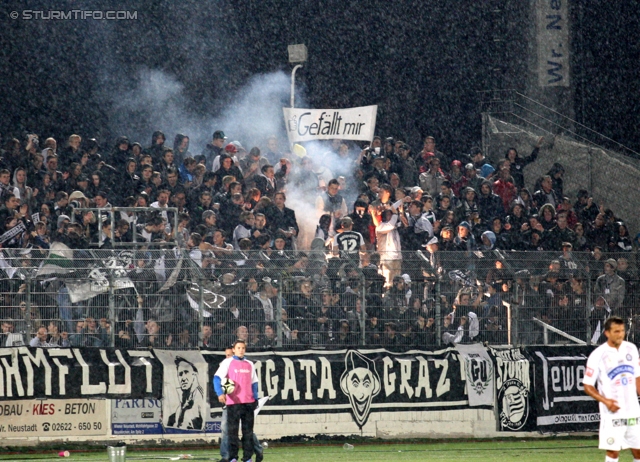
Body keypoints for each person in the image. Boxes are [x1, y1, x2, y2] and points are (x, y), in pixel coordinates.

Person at [583, 316, 640, 462]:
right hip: (612, 413)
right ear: (607, 333)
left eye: (622, 331)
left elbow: (637, 377)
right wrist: (606, 401)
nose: (620, 334)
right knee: (613, 452)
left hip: (633, 411)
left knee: (638, 451)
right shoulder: (598, 354)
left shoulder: (631, 349)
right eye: (616, 331)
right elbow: (588, 385)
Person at [214, 340, 259, 462]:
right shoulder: (227, 362)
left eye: (243, 348)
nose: (241, 350)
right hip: (233, 402)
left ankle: (247, 457)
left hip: (248, 402)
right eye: (238, 348)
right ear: (234, 349)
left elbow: (254, 382)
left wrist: (256, 397)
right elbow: (217, 378)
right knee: (232, 432)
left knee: (248, 432)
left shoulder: (249, 363)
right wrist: (220, 393)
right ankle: (233, 457)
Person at [167, 357, 206, 430]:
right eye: (180, 374)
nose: (183, 378)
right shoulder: (183, 401)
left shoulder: (200, 396)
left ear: (194, 374)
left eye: (186, 372)